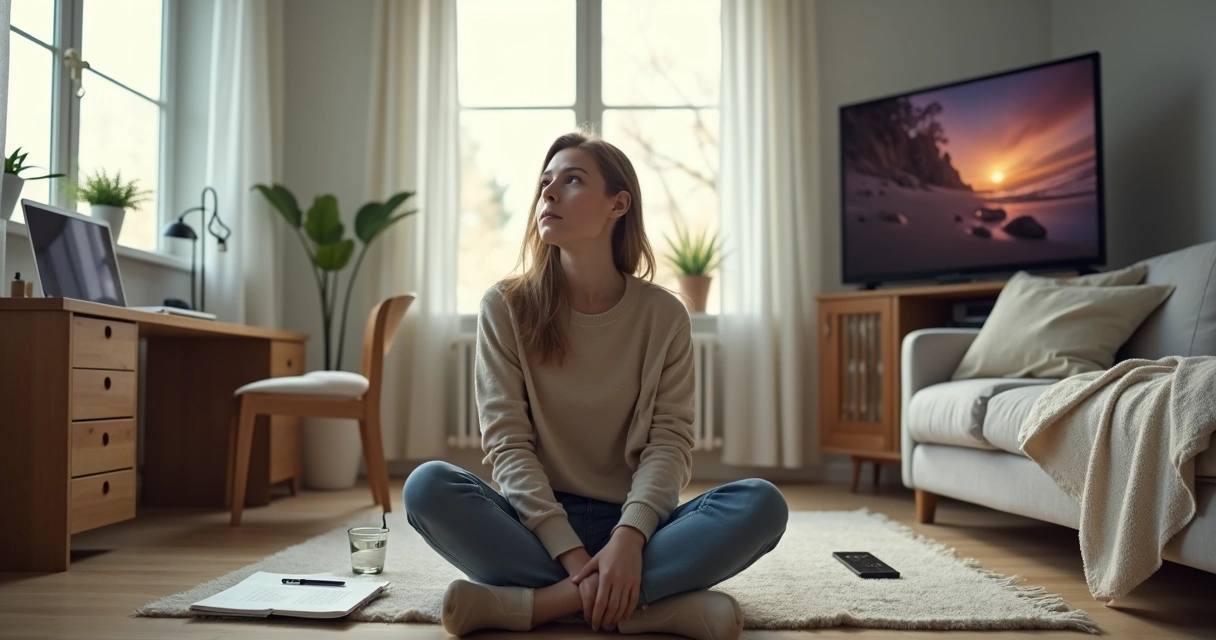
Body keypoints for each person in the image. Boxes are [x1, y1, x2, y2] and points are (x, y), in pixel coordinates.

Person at [403, 129, 788, 640]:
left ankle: (538, 605)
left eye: (572, 180)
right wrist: (570, 552)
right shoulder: (505, 306)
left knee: (762, 504)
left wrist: (628, 539)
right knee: (426, 487)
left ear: (618, 204)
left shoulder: (665, 315)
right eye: (545, 181)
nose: (548, 191)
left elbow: (669, 444)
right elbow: (508, 444)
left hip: (638, 528)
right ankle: (646, 608)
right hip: (535, 524)